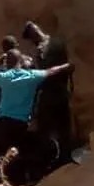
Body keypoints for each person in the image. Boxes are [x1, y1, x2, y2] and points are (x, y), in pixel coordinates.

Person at [0, 49, 73, 186]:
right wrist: (67, 66)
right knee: (26, 150)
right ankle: (27, 179)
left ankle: (9, 183)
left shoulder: (3, 77)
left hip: (3, 123)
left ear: (7, 62)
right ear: (20, 61)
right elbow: (51, 71)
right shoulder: (31, 76)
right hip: (20, 124)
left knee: (5, 155)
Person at [23, 21, 74, 167]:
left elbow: (47, 72)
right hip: (54, 91)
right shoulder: (54, 43)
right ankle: (60, 157)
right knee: (57, 127)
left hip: (53, 91)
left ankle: (59, 158)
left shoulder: (48, 46)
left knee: (53, 126)